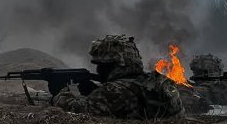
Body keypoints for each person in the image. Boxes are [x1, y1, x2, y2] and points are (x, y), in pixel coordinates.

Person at [52, 35, 183, 119]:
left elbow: (79, 109)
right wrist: (94, 91)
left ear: (115, 65)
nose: (99, 70)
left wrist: (59, 94)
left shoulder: (113, 91)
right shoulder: (154, 80)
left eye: (102, 65)